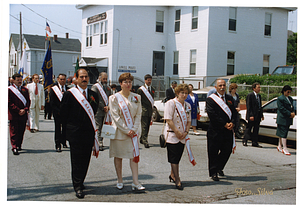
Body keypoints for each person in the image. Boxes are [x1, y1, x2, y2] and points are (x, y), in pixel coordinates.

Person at [61, 68, 99, 199]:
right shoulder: (69, 94)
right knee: (76, 161)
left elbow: (94, 112)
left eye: (86, 77)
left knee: (85, 160)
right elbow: (63, 116)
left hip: (88, 133)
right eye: (81, 77)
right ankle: (77, 185)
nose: (84, 79)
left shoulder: (93, 94)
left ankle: (81, 181)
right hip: (75, 134)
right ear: (75, 78)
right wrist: (63, 135)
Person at [109, 72, 145, 191]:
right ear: (120, 84)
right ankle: (119, 180)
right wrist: (126, 129)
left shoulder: (136, 97)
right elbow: (115, 116)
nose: (128, 84)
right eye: (125, 82)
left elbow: (138, 114)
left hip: (132, 133)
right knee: (118, 157)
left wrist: (133, 129)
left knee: (133, 157)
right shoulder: (114, 98)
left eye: (130, 81)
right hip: (119, 133)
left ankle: (135, 181)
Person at [164, 83, 194, 190]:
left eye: (186, 93)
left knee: (178, 157)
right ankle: (177, 179)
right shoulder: (171, 103)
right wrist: (177, 132)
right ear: (177, 93)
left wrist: (186, 132)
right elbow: (168, 119)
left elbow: (189, 120)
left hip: (182, 136)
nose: (184, 95)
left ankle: (172, 175)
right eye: (182, 93)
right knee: (173, 159)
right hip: (172, 134)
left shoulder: (187, 105)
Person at [206, 79, 237, 181]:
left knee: (227, 151)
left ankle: (219, 167)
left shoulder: (229, 98)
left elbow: (234, 113)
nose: (222, 87)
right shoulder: (211, 99)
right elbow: (212, 115)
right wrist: (224, 124)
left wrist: (232, 122)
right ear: (216, 87)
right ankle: (213, 172)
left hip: (228, 131)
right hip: (215, 130)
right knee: (213, 152)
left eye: (224, 85)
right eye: (220, 85)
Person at [8, 73, 31, 155]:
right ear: (13, 80)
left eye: (20, 80)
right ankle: (14, 147)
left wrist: (25, 109)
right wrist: (18, 110)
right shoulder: (9, 90)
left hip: (23, 114)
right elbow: (9, 103)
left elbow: (28, 101)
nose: (19, 82)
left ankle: (19, 145)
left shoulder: (25, 90)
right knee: (14, 131)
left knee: (21, 130)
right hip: (14, 114)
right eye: (18, 80)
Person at [91, 72, 111, 151]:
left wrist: (108, 106)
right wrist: (103, 107)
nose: (105, 80)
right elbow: (95, 99)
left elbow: (110, 98)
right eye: (104, 79)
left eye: (106, 79)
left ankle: (100, 140)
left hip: (106, 111)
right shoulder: (95, 87)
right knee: (98, 127)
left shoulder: (108, 88)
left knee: (103, 127)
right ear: (99, 78)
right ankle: (98, 142)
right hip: (98, 110)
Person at [50, 74, 68, 152]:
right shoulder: (54, 89)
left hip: (66, 113)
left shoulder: (68, 89)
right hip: (57, 112)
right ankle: (58, 144)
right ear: (58, 79)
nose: (62, 81)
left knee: (65, 128)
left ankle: (64, 142)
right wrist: (57, 111)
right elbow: (52, 102)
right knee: (58, 128)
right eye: (61, 79)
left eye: (64, 79)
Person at [137, 74, 155, 148]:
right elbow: (138, 100)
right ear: (145, 80)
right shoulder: (141, 89)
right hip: (143, 110)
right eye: (148, 80)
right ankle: (145, 140)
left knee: (147, 126)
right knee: (144, 126)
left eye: (150, 80)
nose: (149, 81)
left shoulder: (152, 89)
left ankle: (142, 138)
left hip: (150, 111)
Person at [243, 82, 264, 148]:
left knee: (256, 129)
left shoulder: (259, 96)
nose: (259, 89)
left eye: (259, 87)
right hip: (252, 115)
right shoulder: (250, 95)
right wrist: (251, 115)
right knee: (249, 128)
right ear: (254, 88)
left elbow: (260, 106)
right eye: (258, 87)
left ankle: (254, 142)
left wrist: (261, 115)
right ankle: (245, 140)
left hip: (257, 115)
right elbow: (249, 106)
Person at [276, 85, 295, 155]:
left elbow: (292, 107)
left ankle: (280, 146)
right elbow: (281, 108)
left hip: (288, 118)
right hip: (282, 118)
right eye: (287, 92)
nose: (289, 93)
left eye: (290, 92)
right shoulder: (280, 99)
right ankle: (285, 148)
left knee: (283, 131)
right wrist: (289, 113)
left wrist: (293, 113)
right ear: (284, 91)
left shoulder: (290, 98)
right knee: (283, 132)